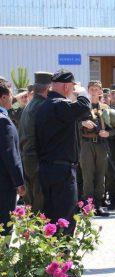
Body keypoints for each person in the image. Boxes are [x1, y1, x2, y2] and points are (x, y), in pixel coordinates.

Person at [35, 69, 90, 235]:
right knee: (65, 215)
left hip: (47, 168)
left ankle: (51, 256)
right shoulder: (59, 104)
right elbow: (84, 107)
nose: (73, 90)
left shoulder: (45, 105)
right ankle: (62, 258)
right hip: (62, 170)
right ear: (67, 87)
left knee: (51, 214)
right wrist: (81, 93)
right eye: (72, 87)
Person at [18, 71, 53, 212]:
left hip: (28, 158)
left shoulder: (31, 104)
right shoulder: (43, 106)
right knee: (40, 205)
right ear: (48, 88)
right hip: (38, 160)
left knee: (32, 202)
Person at [79, 80, 115, 217]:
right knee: (88, 176)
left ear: (101, 92)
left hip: (101, 144)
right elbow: (73, 124)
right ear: (88, 91)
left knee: (101, 176)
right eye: (91, 89)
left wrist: (108, 133)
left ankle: (99, 205)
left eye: (96, 89)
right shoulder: (82, 107)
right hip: (87, 144)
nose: (94, 92)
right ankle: (89, 207)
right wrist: (82, 123)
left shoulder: (106, 108)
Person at [0, 82, 25, 236]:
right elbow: (11, 154)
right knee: (5, 226)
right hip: (4, 183)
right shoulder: (3, 121)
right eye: (10, 95)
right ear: (3, 97)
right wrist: (19, 182)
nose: (12, 98)